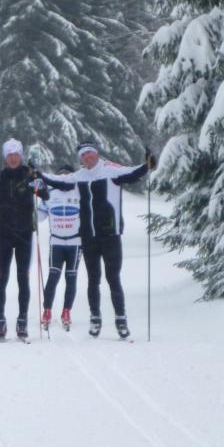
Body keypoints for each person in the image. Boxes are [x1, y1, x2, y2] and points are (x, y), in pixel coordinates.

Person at [38, 141, 156, 339]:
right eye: (83, 156)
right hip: (88, 237)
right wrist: (38, 174)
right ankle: (95, 319)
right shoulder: (79, 176)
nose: (87, 157)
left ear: (97, 153)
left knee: (113, 279)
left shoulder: (110, 170)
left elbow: (134, 172)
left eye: (90, 154)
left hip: (110, 235)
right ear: (81, 159)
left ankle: (121, 319)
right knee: (93, 280)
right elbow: (58, 181)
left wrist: (148, 164)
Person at [0, 139, 48, 341]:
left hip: (25, 235)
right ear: (5, 158)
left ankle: (22, 320)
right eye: (10, 155)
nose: (13, 158)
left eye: (16, 154)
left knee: (23, 278)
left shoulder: (30, 175)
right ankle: (0, 320)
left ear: (21, 156)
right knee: (2, 279)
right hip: (4, 235)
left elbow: (45, 194)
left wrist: (40, 184)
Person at [36, 164, 81, 331]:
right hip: (57, 242)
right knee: (53, 276)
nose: (64, 178)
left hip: (75, 242)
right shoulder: (49, 194)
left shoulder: (79, 191)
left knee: (71, 277)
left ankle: (66, 311)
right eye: (61, 175)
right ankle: (47, 311)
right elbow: (40, 215)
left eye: (67, 175)